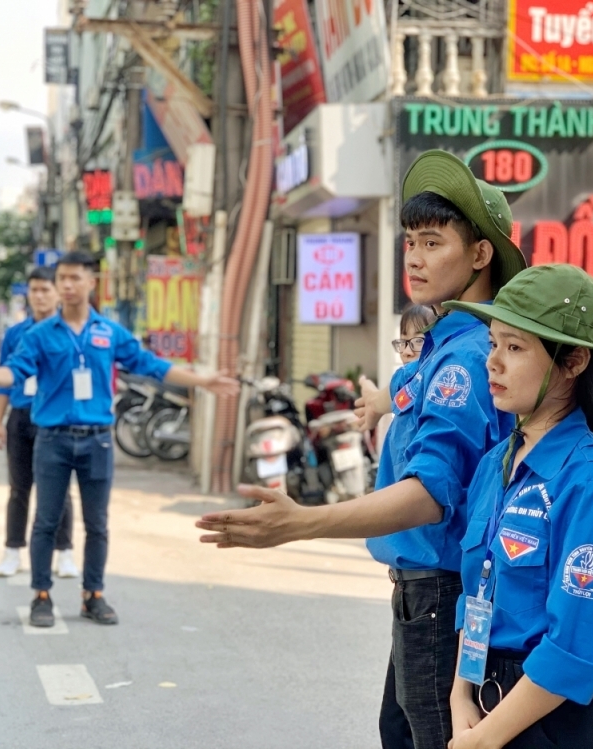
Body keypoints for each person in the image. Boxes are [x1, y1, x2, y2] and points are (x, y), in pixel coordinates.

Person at [197, 149, 527, 749]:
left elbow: (429, 493)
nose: (415, 258)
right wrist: (380, 400)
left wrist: (303, 523)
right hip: (426, 590)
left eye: (432, 242)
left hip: (441, 588)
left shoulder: (464, 358)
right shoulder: (443, 348)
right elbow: (406, 393)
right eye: (409, 242)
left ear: (481, 254)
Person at [440, 264, 593, 749]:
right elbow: (478, 593)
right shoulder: (498, 462)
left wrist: (484, 738)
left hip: (557, 721)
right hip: (484, 705)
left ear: (575, 361)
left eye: (515, 347)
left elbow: (572, 646)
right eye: (493, 343)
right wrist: (461, 695)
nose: (493, 362)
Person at [0, 251, 239, 628]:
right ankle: (40, 595)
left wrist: (203, 380)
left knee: (98, 524)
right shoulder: (40, 335)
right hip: (53, 440)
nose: (68, 285)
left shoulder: (108, 333)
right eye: (63, 278)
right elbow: (16, 371)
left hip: (97, 441)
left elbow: (152, 365)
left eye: (75, 278)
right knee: (46, 520)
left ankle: (93, 594)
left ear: (92, 283)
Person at [0, 267, 77, 579]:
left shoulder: (70, 332)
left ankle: (64, 552)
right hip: (22, 417)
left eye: (45, 290)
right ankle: (12, 550)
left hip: (54, 420)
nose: (40, 296)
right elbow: (4, 380)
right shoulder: (16, 334)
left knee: (58, 490)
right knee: (19, 487)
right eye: (34, 290)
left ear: (57, 293)